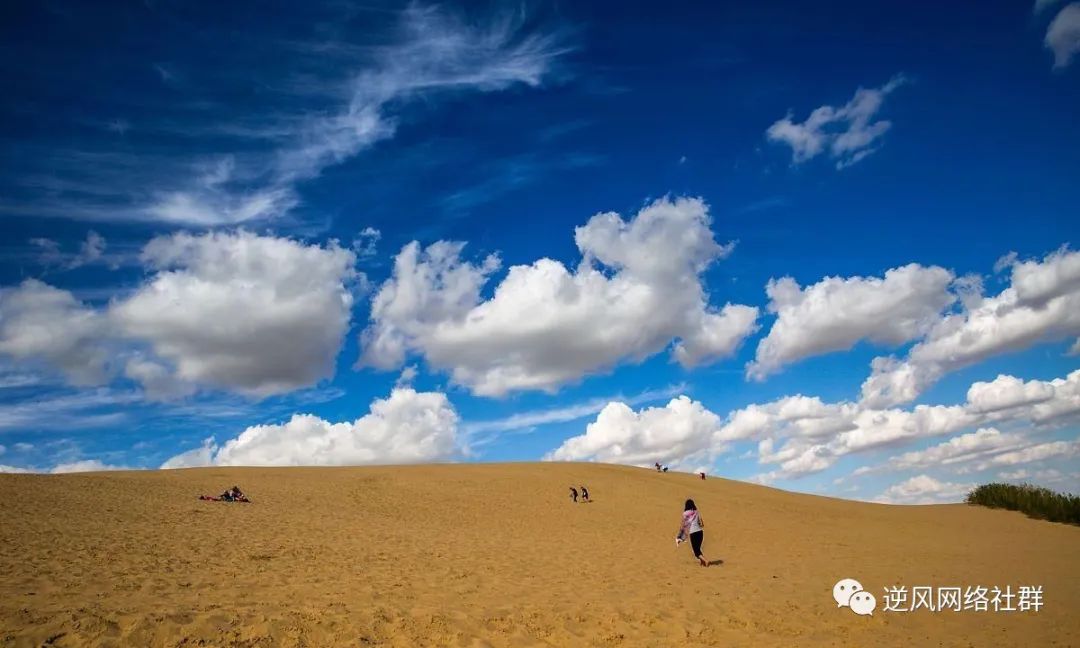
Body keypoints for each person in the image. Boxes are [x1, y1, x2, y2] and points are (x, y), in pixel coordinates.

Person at [677, 499, 709, 567]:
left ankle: (706, 561)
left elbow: (684, 525)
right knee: (698, 549)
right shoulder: (696, 512)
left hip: (693, 533)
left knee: (696, 551)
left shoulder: (685, 513)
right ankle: (702, 562)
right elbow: (702, 523)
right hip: (700, 532)